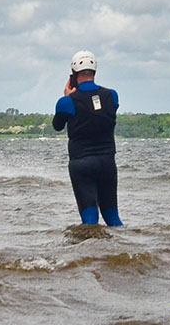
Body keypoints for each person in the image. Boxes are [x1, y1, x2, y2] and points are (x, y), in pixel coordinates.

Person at [52, 50, 123, 226]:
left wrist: (68, 96)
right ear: (94, 71)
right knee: (112, 217)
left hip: (81, 164)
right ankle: (123, 242)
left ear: (73, 73)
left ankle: (91, 244)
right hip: (107, 162)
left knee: (90, 219)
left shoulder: (66, 102)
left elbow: (57, 126)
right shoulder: (112, 96)